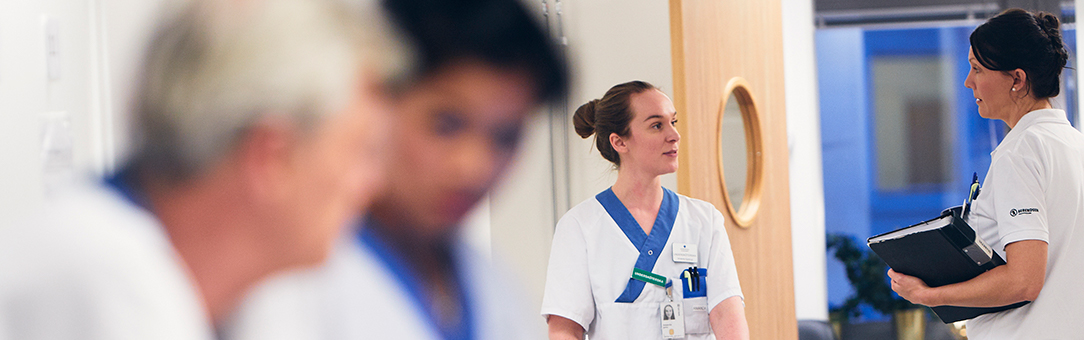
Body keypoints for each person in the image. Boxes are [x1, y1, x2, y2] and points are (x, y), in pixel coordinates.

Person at [0, 0, 402, 338]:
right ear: (271, 158)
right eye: (359, 152)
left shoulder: (243, 299)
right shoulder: (97, 285)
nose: (372, 184)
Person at [222, 0, 569, 339]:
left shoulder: (496, 290)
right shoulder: (292, 279)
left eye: (505, 137)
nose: (474, 168)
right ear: (375, 99)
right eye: (445, 125)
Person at [887, 8, 1084, 339]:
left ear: (1016, 79)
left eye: (977, 69)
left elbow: (1024, 281)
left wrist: (930, 295)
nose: (968, 81)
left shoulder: (1020, 153)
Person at [542, 80, 749, 340]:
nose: (674, 135)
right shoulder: (580, 226)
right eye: (656, 125)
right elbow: (564, 329)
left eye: (673, 122)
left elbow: (727, 315)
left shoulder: (704, 221)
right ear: (619, 142)